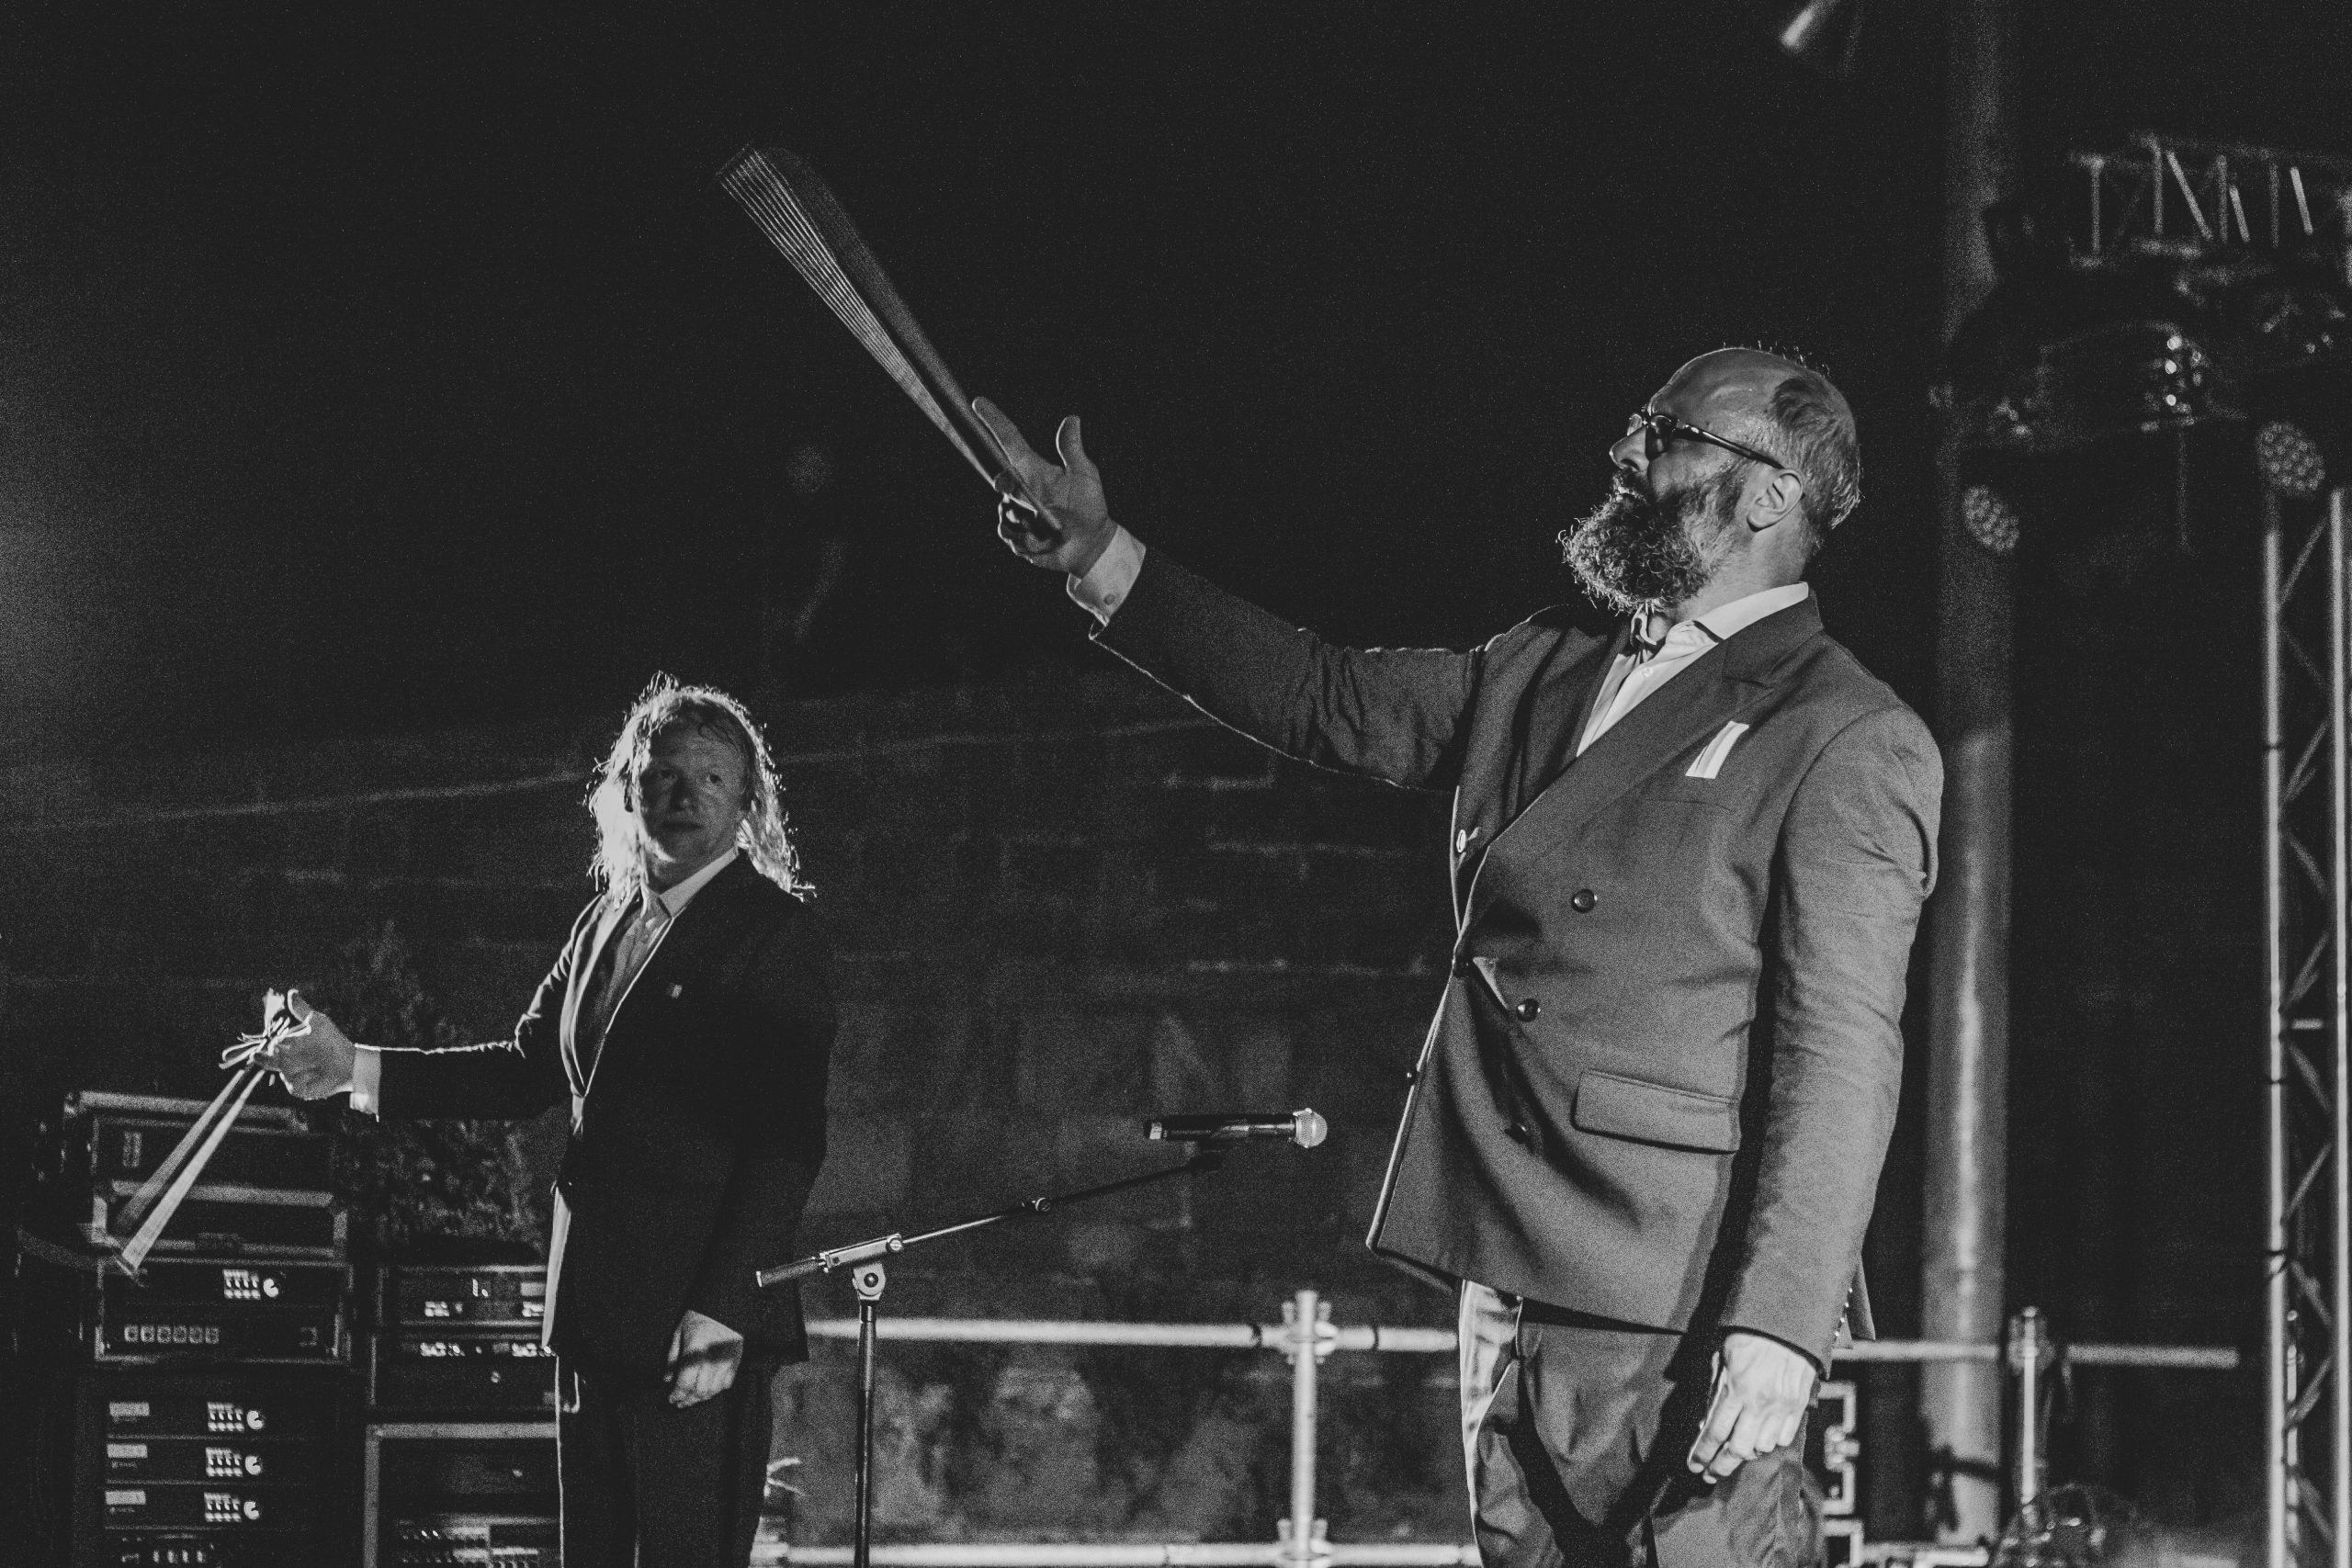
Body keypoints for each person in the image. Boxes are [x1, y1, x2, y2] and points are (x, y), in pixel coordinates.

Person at [974, 348, 1940, 1568]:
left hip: (1675, 1300)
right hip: (1506, 1257)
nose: (1626, 454)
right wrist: (1103, 557)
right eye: (1638, 425)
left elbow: (1841, 1052)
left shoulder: (1842, 728)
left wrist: (1783, 1327)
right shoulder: (1549, 660)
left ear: (1769, 493)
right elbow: (1329, 697)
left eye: (1669, 435)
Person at [267, 677, 835, 1568]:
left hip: (695, 1330)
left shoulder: (773, 934)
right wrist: (353, 1068)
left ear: (746, 804)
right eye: (665, 773)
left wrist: (723, 1307)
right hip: (592, 1321)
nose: (684, 795)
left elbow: (787, 1140)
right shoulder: (606, 920)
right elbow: (525, 1066)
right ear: (630, 787)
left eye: (712, 778)